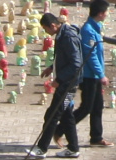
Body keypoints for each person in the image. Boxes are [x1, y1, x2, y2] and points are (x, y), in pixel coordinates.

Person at [30, 15, 85, 157]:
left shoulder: (68, 37)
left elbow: (75, 63)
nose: (46, 32)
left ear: (53, 25)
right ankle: (73, 148)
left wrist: (59, 79)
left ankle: (41, 149)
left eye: (46, 29)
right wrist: (51, 67)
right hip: (66, 81)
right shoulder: (62, 34)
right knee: (67, 116)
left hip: (69, 84)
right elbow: (63, 58)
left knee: (52, 115)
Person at [70, 0, 111, 147]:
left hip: (94, 76)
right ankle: (60, 129)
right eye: (106, 11)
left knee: (97, 107)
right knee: (86, 108)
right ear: (100, 13)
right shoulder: (88, 30)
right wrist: (101, 75)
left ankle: (96, 137)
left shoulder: (95, 28)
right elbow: (91, 55)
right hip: (89, 76)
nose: (107, 14)